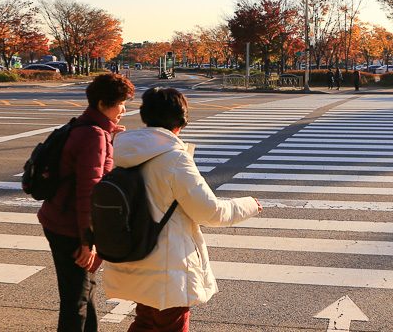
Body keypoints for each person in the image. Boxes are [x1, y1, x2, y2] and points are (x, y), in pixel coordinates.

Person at [103, 87, 261, 331]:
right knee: (168, 324)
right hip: (165, 267)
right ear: (180, 121)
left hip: (133, 253)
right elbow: (210, 212)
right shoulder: (174, 158)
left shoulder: (123, 150)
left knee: (146, 321)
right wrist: (249, 204)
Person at [38, 73, 135, 332]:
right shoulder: (94, 135)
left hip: (58, 217)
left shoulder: (88, 127)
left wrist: (110, 135)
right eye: (121, 103)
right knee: (76, 301)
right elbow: (88, 192)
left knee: (84, 292)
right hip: (70, 227)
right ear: (103, 104)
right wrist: (87, 240)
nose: (124, 109)